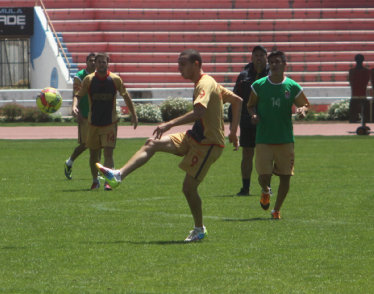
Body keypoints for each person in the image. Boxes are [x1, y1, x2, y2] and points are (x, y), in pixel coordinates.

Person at [97, 49, 243, 242]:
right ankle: (118, 175)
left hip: (209, 144)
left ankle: (199, 229)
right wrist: (233, 131)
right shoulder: (209, 82)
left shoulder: (205, 83)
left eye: (182, 64)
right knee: (152, 143)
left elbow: (199, 112)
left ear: (196, 64)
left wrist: (169, 124)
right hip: (194, 137)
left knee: (188, 188)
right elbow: (237, 101)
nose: (179, 68)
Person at [247, 50, 310, 220]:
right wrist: (253, 114)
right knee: (263, 175)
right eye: (271, 62)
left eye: (277, 62)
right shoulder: (259, 85)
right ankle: (266, 190)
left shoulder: (292, 86)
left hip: (285, 138)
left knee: (285, 176)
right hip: (264, 138)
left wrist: (302, 110)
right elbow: (250, 105)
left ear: (284, 65)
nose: (274, 65)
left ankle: (276, 210)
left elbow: (304, 104)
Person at [72, 52, 138, 190]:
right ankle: (95, 180)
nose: (102, 64)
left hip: (110, 123)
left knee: (108, 153)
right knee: (93, 155)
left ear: (108, 63)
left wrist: (134, 114)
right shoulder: (88, 80)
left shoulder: (115, 79)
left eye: (104, 62)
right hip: (93, 123)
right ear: (95, 64)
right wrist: (74, 106)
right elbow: (78, 95)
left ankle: (109, 181)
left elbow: (126, 96)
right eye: (100, 62)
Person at [230, 45, 269, 196]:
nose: (259, 58)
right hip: (247, 121)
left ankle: (266, 187)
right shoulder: (244, 76)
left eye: (261, 55)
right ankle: (245, 187)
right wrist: (233, 121)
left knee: (265, 155)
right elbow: (236, 98)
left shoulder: (272, 75)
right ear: (252, 58)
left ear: (266, 58)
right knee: (247, 153)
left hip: (266, 122)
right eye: (256, 55)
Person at [64, 53, 96, 180]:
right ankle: (69, 162)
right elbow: (76, 94)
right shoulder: (80, 76)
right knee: (86, 144)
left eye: (95, 60)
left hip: (97, 115)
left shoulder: (99, 75)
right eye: (91, 60)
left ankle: (98, 172)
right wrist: (77, 110)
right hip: (85, 114)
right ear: (86, 62)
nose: (93, 63)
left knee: (98, 144)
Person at [348, 54, 371, 122]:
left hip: (355, 95)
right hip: (363, 95)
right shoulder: (367, 71)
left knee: (353, 117)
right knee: (366, 117)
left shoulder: (351, 71)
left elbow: (351, 82)